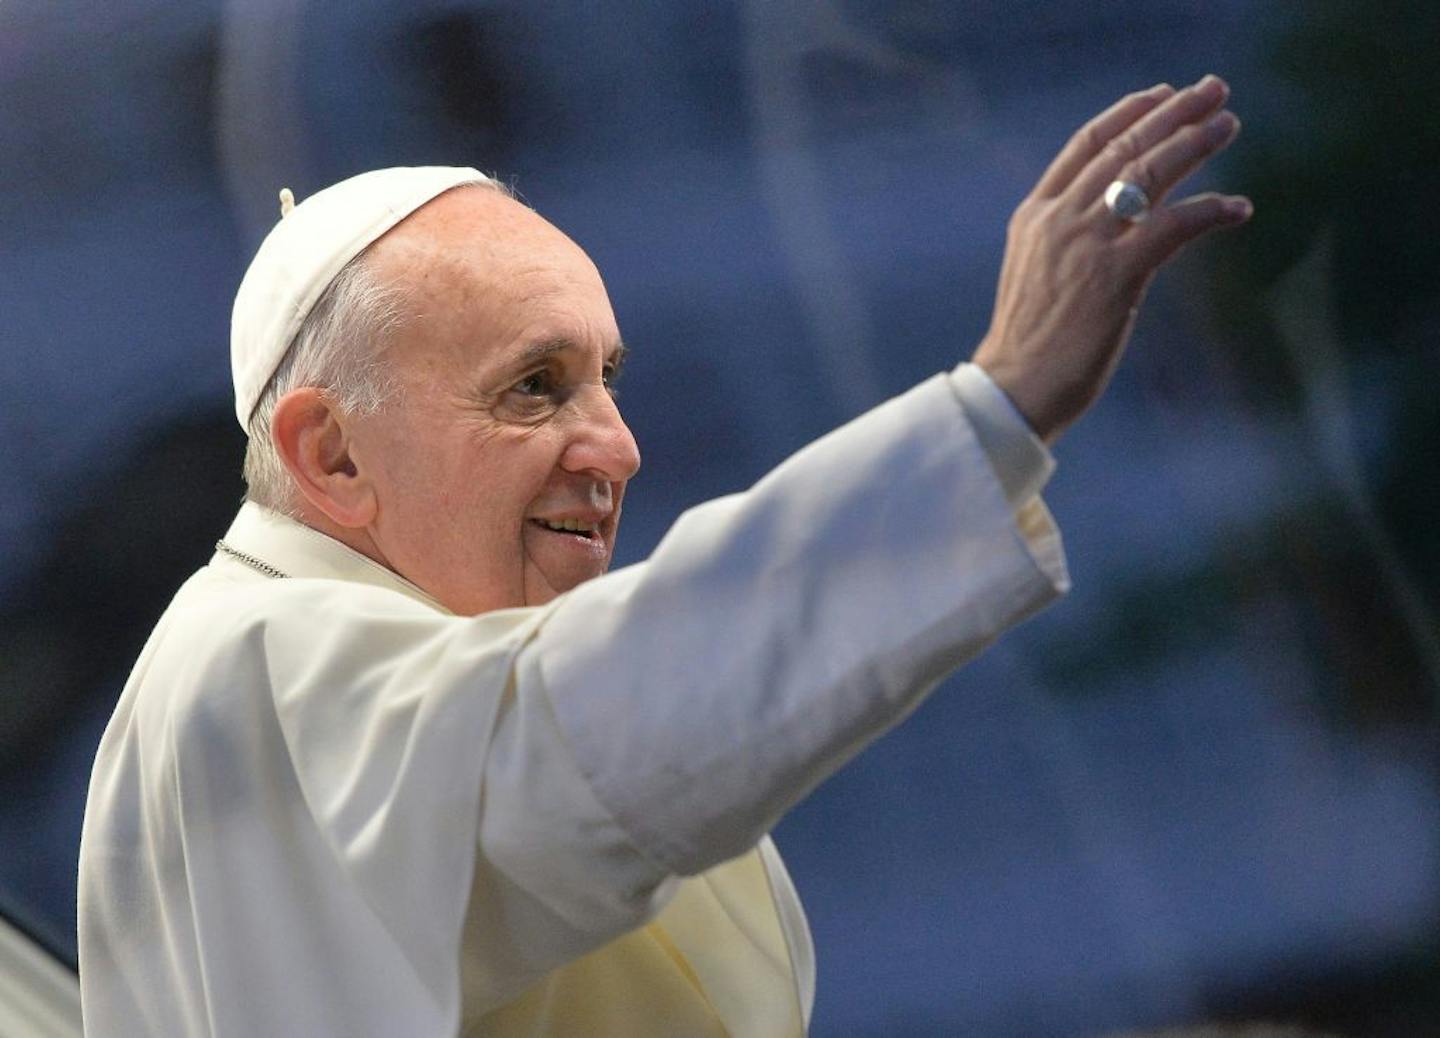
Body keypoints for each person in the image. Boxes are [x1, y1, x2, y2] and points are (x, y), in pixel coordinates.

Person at [78, 76, 1250, 1036]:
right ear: (331, 455)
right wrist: (996, 406)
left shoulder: (403, 653)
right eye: (534, 388)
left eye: (609, 381)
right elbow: (566, 740)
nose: (620, 448)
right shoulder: (250, 666)